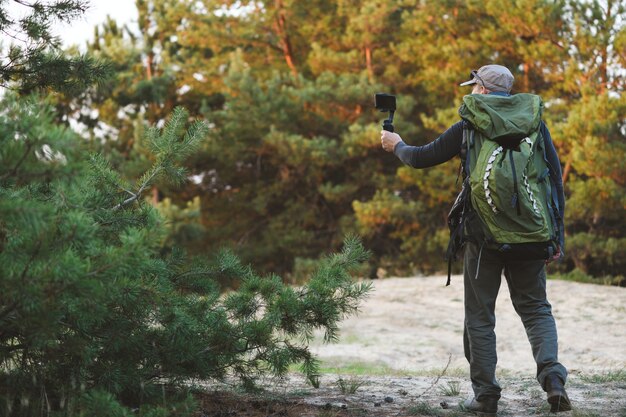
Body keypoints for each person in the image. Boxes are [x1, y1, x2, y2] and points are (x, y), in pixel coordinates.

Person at [380, 64, 571, 416]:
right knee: (536, 309)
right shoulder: (535, 123)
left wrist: (397, 145)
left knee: (480, 316)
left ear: (482, 90)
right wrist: (556, 236)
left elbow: (422, 158)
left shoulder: (470, 124)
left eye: (473, 87)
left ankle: (486, 396)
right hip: (532, 236)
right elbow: (554, 182)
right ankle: (553, 380)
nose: (469, 93)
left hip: (483, 239)